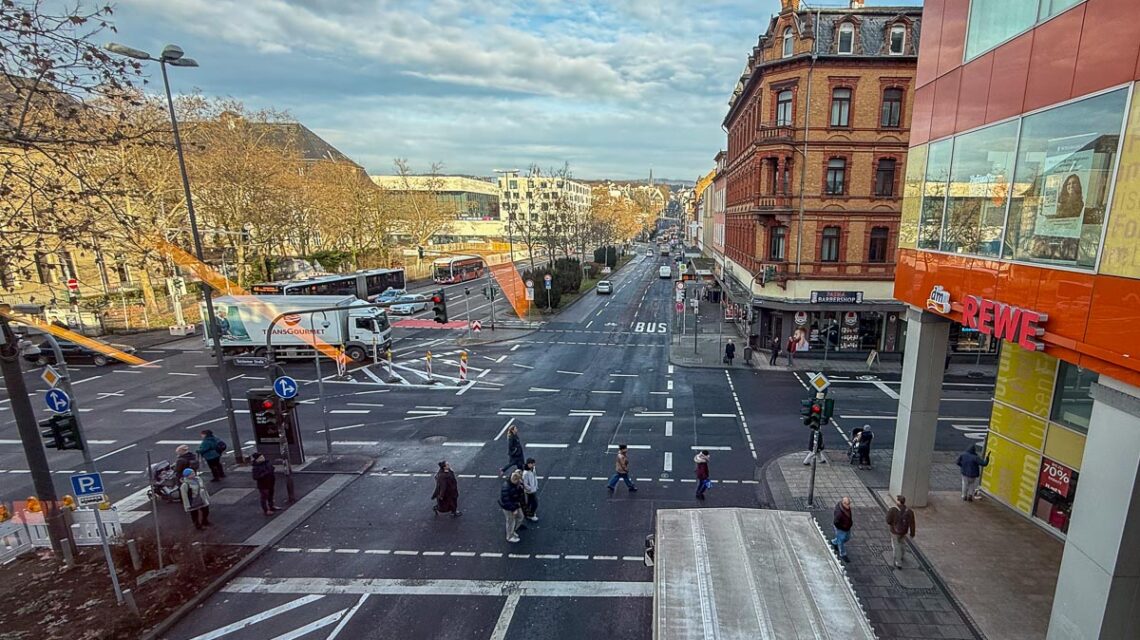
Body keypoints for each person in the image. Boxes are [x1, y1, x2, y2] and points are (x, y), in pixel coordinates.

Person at [886, 494, 916, 569]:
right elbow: (912, 523)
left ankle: (898, 562)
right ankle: (902, 555)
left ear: (898, 501)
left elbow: (888, 520)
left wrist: (892, 525)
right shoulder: (909, 511)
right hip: (904, 531)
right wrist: (912, 533)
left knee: (896, 546)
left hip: (894, 531)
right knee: (902, 542)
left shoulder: (893, 510)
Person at [499, 470, 525, 543]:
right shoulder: (506, 487)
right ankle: (509, 536)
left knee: (520, 517)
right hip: (509, 507)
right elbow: (506, 501)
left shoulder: (515, 484)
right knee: (510, 520)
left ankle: (512, 530)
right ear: (514, 480)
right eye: (518, 481)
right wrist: (513, 509)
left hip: (515, 504)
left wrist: (520, 488)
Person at [830, 496, 853, 563]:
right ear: (843, 503)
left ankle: (834, 542)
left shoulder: (846, 508)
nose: (849, 506)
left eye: (849, 503)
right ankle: (843, 554)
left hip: (847, 527)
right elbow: (836, 522)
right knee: (841, 540)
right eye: (847, 504)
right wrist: (842, 527)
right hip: (841, 529)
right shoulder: (839, 513)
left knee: (847, 538)